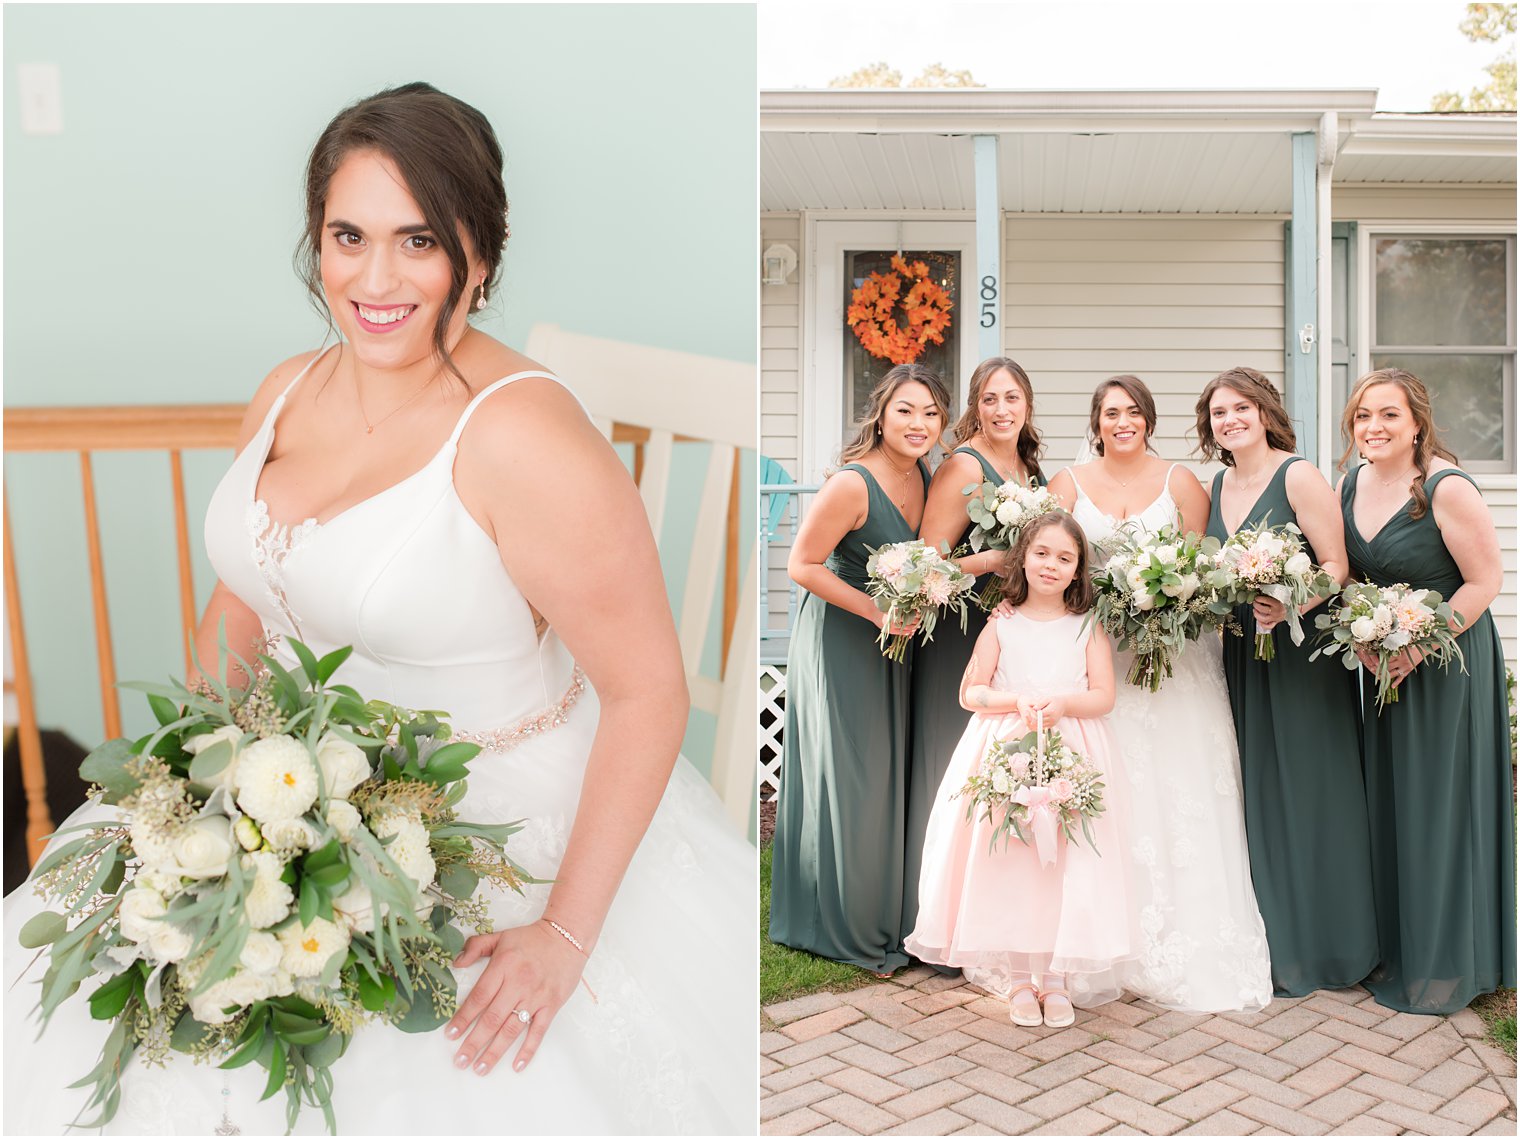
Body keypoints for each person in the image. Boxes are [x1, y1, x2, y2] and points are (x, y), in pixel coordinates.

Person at [3, 83, 754, 1135]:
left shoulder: (524, 439)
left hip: (498, 817)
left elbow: (647, 692)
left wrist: (565, 935)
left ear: (478, 257)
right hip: (285, 785)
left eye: (418, 241)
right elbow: (242, 602)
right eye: (347, 236)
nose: (375, 277)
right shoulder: (284, 389)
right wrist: (181, 796)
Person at [1046, 375, 1272, 1012]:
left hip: (1175, 663)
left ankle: (1186, 941)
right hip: (1099, 659)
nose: (1123, 422)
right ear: (1095, 423)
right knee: (1108, 788)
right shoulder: (1066, 484)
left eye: (1134, 412)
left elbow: (1201, 571)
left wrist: (1165, 605)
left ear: (1149, 420)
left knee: (1179, 786)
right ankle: (1097, 942)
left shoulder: (1181, 483)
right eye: (1111, 412)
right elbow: (1057, 568)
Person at [906, 511, 1137, 1024]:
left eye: (1064, 558)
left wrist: (1060, 704)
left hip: (1072, 750)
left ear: (1078, 571)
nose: (1051, 565)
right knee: (1009, 862)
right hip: (1005, 749)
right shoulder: (1001, 622)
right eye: (1041, 554)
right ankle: (1016, 981)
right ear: (1022, 559)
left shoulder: (1087, 626)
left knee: (1060, 865)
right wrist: (1014, 701)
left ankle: (1054, 979)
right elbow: (971, 691)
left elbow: (1103, 696)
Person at [1337, 367, 1515, 1015]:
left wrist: (1419, 642)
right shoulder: (1352, 480)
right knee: (1393, 798)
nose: (1373, 428)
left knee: (1442, 804)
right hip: (1385, 663)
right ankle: (1399, 946)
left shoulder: (1446, 487)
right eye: (1362, 416)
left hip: (1447, 663)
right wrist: (1360, 628)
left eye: (1388, 415)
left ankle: (1449, 960)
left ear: (1417, 422)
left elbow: (1485, 580)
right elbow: (1353, 573)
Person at [1197, 366, 1377, 997]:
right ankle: (1279, 944)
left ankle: (1335, 945)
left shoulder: (1297, 474)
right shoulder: (1217, 484)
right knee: (1262, 791)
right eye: (1220, 412)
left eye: (1241, 407)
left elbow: (1336, 566)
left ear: (1265, 411)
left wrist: (1290, 600)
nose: (1231, 420)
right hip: (1247, 654)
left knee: (1312, 786)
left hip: (1303, 657)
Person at [769, 363, 950, 975]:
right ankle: (838, 920)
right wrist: (877, 611)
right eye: (905, 410)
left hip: (893, 642)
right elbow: (802, 564)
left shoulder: (924, 476)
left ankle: (889, 910)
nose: (918, 423)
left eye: (930, 412)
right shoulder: (853, 483)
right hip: (843, 637)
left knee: (885, 775)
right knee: (853, 776)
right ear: (880, 414)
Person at [905, 357, 1045, 948]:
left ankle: (992, 914)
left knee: (996, 776)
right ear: (975, 406)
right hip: (960, 629)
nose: (1002, 409)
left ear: (1028, 405)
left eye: (1012, 397)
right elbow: (925, 558)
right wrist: (989, 561)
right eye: (990, 399)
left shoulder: (1029, 467)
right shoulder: (964, 463)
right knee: (954, 770)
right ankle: (941, 915)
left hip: (1011, 631)